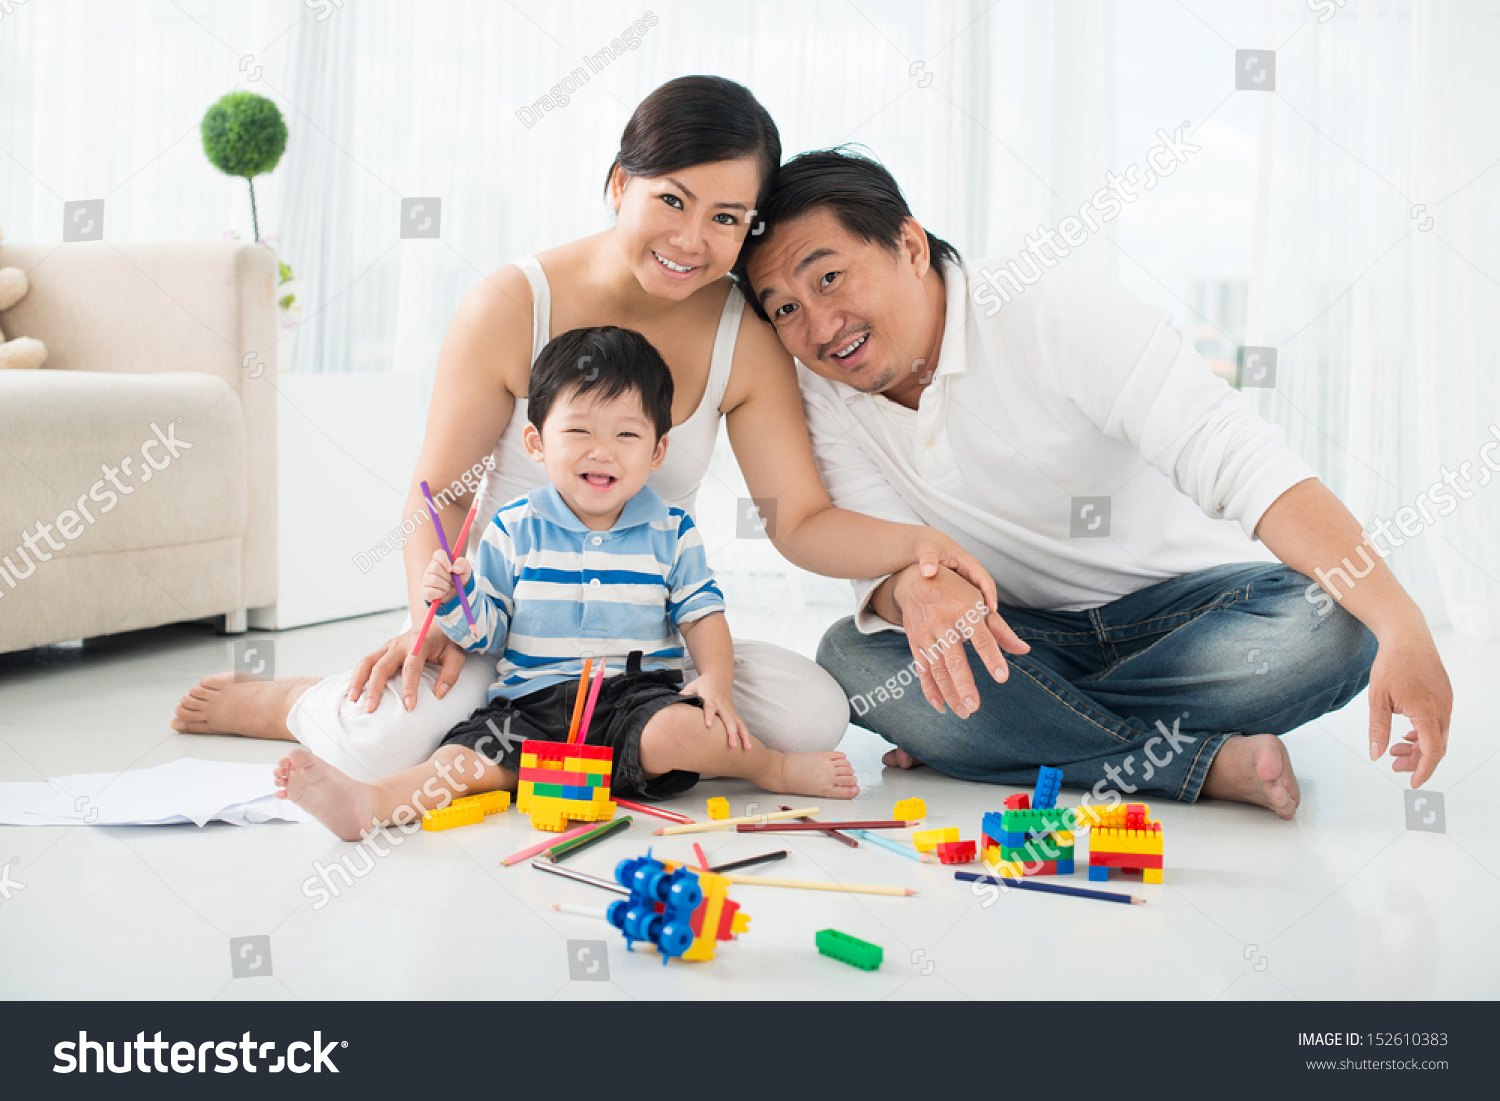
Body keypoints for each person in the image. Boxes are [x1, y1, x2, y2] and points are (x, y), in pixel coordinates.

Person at [175, 78, 995, 784]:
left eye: (726, 218)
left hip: (644, 652)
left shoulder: (745, 334)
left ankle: (560, 744)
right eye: (670, 199)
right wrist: (437, 626)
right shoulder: (511, 303)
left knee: (812, 714)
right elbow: (438, 498)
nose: (690, 240)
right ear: (618, 183)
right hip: (503, 633)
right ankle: (295, 702)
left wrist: (919, 546)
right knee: (375, 748)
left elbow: (803, 520)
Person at [736, 148, 1453, 819]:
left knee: (1334, 627)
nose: (821, 326)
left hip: (1185, 615)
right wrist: (912, 584)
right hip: (1015, 636)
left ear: (910, 244)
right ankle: (1194, 764)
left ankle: (1010, 735)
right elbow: (886, 549)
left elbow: (1238, 455)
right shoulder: (819, 391)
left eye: (829, 277)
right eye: (785, 308)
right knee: (855, 659)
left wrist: (1400, 618)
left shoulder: (1050, 310)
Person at [277, 326, 856, 841]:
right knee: (457, 764)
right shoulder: (512, 528)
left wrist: (718, 681)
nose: (601, 451)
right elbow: (489, 631)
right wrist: (457, 599)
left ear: (657, 452)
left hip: (634, 699)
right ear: (537, 444)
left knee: (689, 729)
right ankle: (369, 804)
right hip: (530, 705)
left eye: (626, 436)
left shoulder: (671, 530)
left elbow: (701, 615)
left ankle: (773, 769)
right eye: (577, 430)